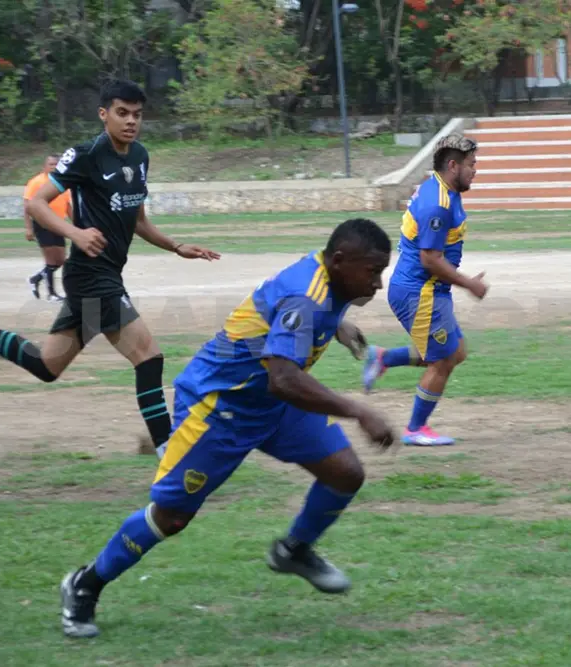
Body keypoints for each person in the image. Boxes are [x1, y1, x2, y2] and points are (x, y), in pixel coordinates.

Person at [58, 218, 397, 639]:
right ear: (341, 260)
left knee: (345, 472)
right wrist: (359, 411)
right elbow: (285, 378)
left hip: (272, 404)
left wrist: (337, 325)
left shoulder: (325, 274)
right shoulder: (306, 297)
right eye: (373, 272)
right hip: (220, 406)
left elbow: (281, 315)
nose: (378, 284)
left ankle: (294, 550)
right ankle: (85, 583)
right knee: (171, 518)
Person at [0, 79, 219, 459]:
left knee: (46, 365)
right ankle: (168, 453)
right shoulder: (86, 155)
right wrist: (76, 233)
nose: (131, 121)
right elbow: (37, 203)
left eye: (137, 115)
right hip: (91, 276)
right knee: (149, 357)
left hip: (104, 276)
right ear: (104, 114)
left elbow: (138, 220)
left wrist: (177, 246)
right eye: (122, 113)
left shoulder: (140, 157)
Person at [358, 135, 488, 447]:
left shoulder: (439, 188)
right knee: (443, 360)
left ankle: (384, 357)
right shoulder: (438, 205)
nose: (476, 171)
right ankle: (415, 429)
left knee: (455, 351)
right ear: (452, 165)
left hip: (426, 289)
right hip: (420, 291)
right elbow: (430, 259)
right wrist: (470, 283)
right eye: (471, 165)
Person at [23, 155, 73, 301]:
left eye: (56, 164)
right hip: (42, 223)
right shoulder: (36, 182)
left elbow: (68, 206)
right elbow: (27, 206)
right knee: (51, 261)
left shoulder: (62, 183)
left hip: (58, 224)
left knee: (61, 260)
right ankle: (51, 294)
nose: (53, 166)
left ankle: (36, 279)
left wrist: (79, 225)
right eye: (51, 164)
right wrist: (28, 228)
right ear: (44, 166)